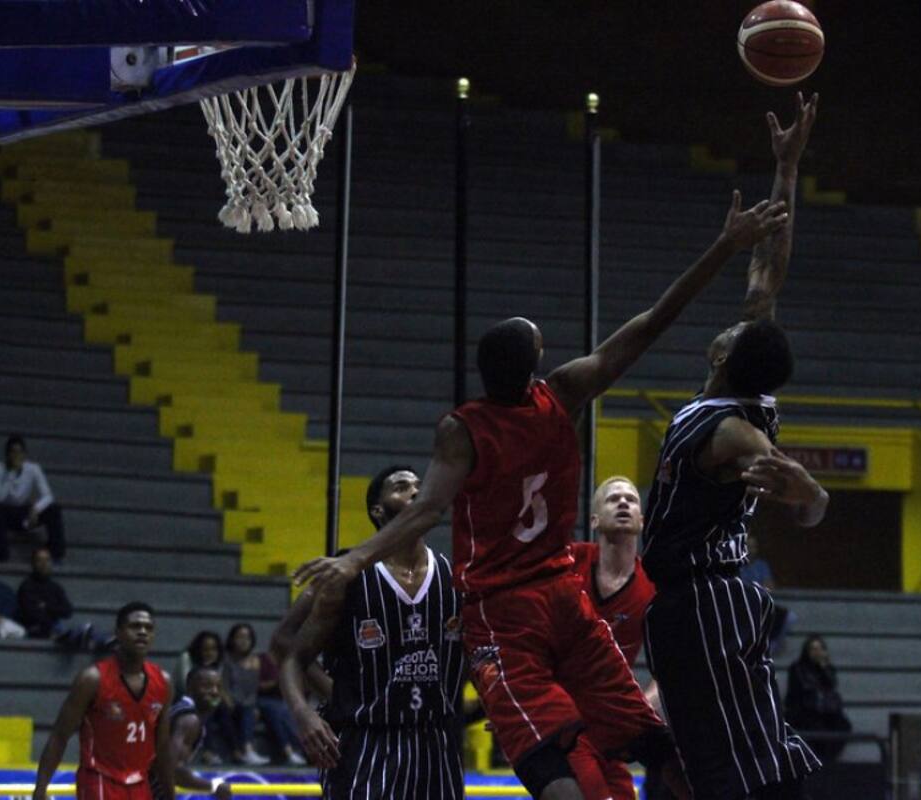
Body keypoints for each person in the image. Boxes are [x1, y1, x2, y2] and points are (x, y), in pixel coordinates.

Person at [294, 184, 788, 798]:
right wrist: (723, 244)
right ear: (533, 363)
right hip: (543, 602)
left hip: (518, 607)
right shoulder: (563, 392)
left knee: (569, 757)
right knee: (652, 751)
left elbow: (429, 508)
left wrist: (352, 558)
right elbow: (653, 322)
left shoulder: (461, 429)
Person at [642, 93, 827, 800]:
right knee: (722, 750)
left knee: (727, 763)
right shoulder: (741, 392)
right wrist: (787, 168)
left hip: (706, 601)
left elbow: (792, 485)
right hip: (700, 600)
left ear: (725, 354)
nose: (745, 311)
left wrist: (806, 492)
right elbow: (770, 266)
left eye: (740, 324)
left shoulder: (729, 426)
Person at [279, 465, 466, 798]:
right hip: (367, 741)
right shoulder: (347, 575)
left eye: (419, 486)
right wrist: (304, 713)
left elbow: (476, 655)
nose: (415, 491)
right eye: (401, 486)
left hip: (437, 741)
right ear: (377, 510)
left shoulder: (456, 576)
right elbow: (291, 652)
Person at [568, 476, 657, 800]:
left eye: (631, 500)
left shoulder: (653, 586)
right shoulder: (567, 563)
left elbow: (672, 667)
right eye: (612, 499)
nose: (623, 503)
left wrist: (642, 707)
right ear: (593, 520)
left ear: (642, 521)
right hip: (561, 716)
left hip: (611, 724)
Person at [32, 602, 171, 800]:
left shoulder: (163, 682)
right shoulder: (92, 679)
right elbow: (59, 736)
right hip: (99, 780)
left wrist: (170, 794)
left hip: (140, 784)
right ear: (119, 632)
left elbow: (162, 747)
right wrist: (40, 788)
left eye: (148, 628)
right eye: (135, 626)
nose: (142, 632)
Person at [150, 665, 233, 800]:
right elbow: (174, 769)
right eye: (207, 686)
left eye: (218, 686)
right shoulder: (189, 719)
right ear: (189, 687)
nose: (214, 691)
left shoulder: (179, 710)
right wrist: (213, 786)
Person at [0, 436, 67, 561]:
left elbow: (48, 495)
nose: (16, 456)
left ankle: (56, 552)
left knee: (54, 510)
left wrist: (36, 508)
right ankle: (0, 553)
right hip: (4, 513)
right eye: (13, 452)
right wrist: (11, 473)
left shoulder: (33, 469)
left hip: (25, 513)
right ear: (7, 454)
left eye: (19, 452)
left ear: (24, 455)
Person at [18, 546, 106, 650]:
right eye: (39, 560)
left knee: (90, 632)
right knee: (61, 630)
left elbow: (67, 611)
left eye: (47, 560)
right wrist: (54, 610)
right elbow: (31, 614)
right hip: (36, 630)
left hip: (55, 626)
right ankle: (77, 637)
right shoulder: (26, 587)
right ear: (33, 563)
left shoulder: (55, 587)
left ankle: (100, 641)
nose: (44, 564)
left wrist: (46, 606)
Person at [784, 635, 851, 763]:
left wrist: (824, 668)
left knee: (843, 725)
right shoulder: (797, 668)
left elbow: (832, 685)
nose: (817, 652)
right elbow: (800, 691)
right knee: (813, 725)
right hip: (803, 709)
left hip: (825, 711)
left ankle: (828, 759)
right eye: (813, 649)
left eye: (820, 649)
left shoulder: (827, 668)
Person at [216, 623, 271, 766]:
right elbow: (222, 684)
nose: (243, 641)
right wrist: (227, 699)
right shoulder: (226, 660)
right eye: (239, 637)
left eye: (247, 637)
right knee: (225, 711)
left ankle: (248, 749)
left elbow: (252, 690)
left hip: (247, 703)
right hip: (228, 701)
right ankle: (238, 751)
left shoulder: (256, 661)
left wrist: (254, 706)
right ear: (232, 639)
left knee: (250, 710)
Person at [739, 535, 796, 654]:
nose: (751, 550)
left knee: (790, 617)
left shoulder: (762, 565)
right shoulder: (735, 565)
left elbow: (769, 587)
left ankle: (771, 646)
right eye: (748, 547)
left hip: (760, 603)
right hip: (740, 606)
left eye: (754, 547)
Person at [255, 649, 308, 766]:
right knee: (275, 711)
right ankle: (289, 751)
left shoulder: (292, 663)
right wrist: (274, 683)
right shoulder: (261, 660)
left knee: (287, 712)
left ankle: (300, 750)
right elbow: (253, 685)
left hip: (281, 701)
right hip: (260, 700)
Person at [175, 631, 224, 699]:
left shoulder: (220, 664)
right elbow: (185, 686)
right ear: (198, 650)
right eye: (206, 649)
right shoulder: (187, 658)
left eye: (214, 649)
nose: (210, 653)